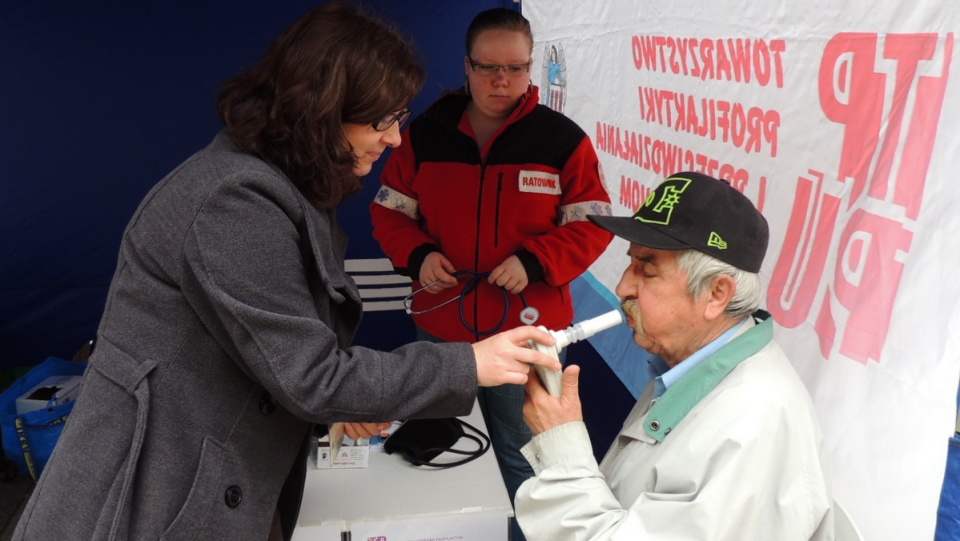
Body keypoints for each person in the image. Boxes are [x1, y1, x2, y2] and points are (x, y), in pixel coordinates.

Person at [11, 4, 561, 541]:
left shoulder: (285, 190)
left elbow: (264, 356)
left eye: (401, 119)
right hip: (146, 508)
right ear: (323, 110)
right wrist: (470, 362)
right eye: (384, 120)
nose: (395, 139)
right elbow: (311, 375)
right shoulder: (232, 201)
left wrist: (335, 411)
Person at [369, 7, 613, 538]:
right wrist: (417, 256)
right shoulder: (425, 134)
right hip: (442, 326)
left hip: (527, 334)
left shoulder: (562, 140)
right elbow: (390, 210)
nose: (501, 81)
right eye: (487, 68)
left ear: (530, 69)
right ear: (466, 66)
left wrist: (534, 262)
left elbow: (594, 225)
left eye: (515, 68)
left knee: (527, 459)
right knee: (432, 445)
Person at [515, 172, 835, 540]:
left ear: (716, 294)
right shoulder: (692, 364)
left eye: (646, 270)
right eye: (630, 262)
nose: (622, 287)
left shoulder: (751, 426)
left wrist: (561, 446)